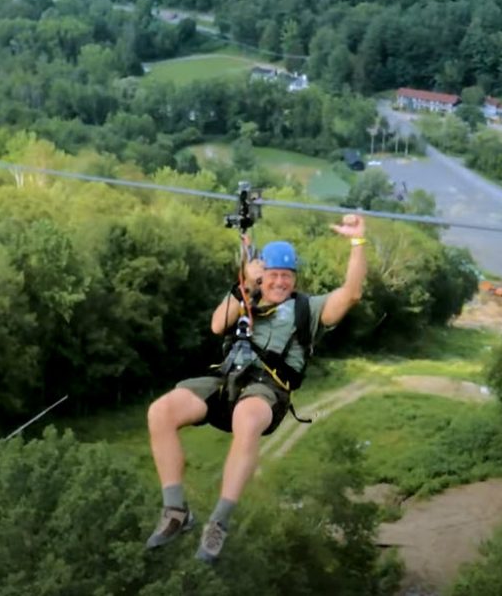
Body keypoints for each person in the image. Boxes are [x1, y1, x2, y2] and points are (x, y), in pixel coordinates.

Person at [144, 214, 368, 562]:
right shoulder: (247, 297)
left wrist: (357, 243)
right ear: (262, 277)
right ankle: (176, 510)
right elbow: (219, 325)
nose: (279, 282)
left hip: (268, 391)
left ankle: (219, 521)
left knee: (247, 420)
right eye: (273, 276)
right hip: (226, 380)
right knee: (160, 412)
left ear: (295, 278)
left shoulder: (308, 309)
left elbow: (352, 293)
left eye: (286, 276)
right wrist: (245, 285)